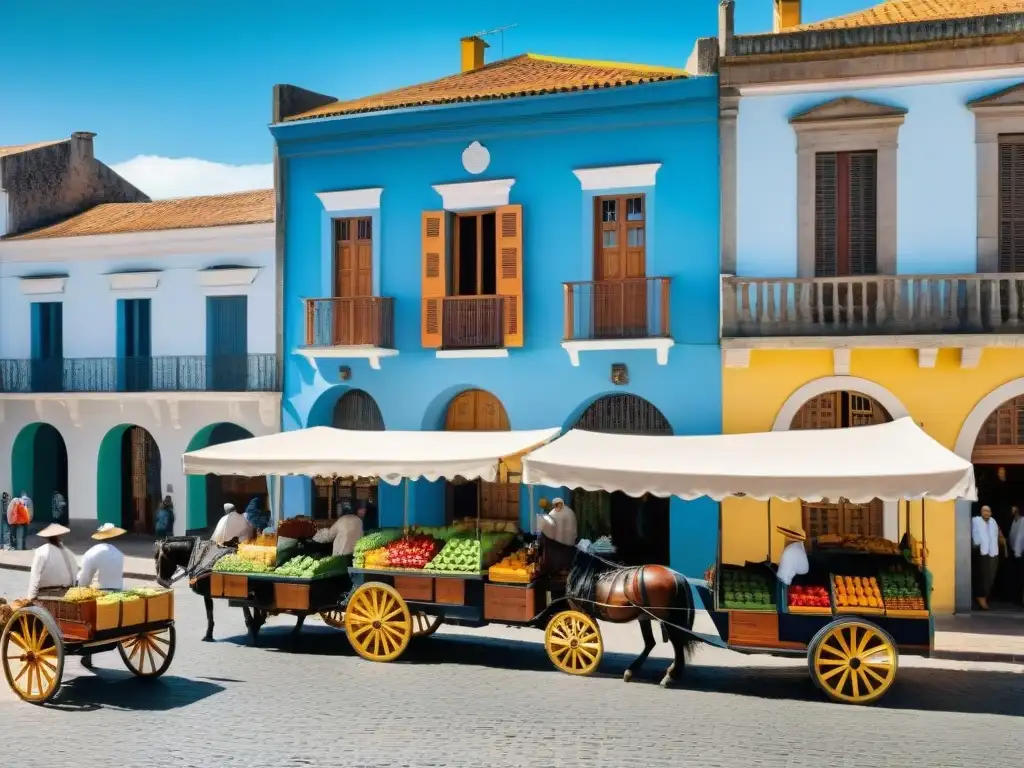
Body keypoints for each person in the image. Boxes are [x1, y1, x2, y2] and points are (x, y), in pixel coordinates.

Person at [77, 523, 127, 669]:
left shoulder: (92, 553)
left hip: (99, 597)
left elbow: (84, 580)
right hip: (117, 595)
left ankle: (87, 652)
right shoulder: (119, 553)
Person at [26, 523, 77, 601]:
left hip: (47, 595)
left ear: (47, 537)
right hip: (68, 594)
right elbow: (74, 574)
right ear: (60, 536)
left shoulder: (41, 551)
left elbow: (35, 577)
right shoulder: (69, 552)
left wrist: (31, 597)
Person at [972, 505, 1003, 610]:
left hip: (993, 552)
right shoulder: (976, 520)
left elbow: (996, 534)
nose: (986, 512)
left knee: (991, 576)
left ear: (991, 513)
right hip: (982, 552)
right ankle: (980, 597)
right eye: (984, 511)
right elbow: (974, 533)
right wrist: (977, 543)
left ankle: (984, 596)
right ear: (981, 512)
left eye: (988, 511)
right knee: (982, 576)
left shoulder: (993, 522)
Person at [1010, 506, 1024, 605]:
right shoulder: (1016, 521)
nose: (1013, 511)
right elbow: (1016, 536)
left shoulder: (1022, 520)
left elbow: (1020, 536)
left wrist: (1017, 552)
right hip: (1017, 552)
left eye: (1014, 509)